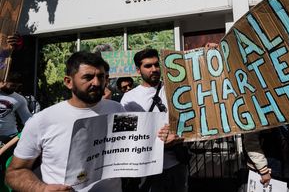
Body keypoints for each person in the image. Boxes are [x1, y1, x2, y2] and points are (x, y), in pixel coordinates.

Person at [5, 51, 170, 192]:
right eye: (88, 77)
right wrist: (41, 189)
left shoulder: (116, 109)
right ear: (68, 82)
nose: (97, 83)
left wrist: (159, 137)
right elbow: (15, 172)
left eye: (101, 77)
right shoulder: (42, 120)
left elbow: (133, 144)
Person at [121, 48, 188, 192]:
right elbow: (127, 136)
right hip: (148, 169)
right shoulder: (129, 98)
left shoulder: (174, 88)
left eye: (157, 65)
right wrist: (160, 143)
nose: (154, 69)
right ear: (138, 70)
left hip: (177, 165)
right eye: (148, 66)